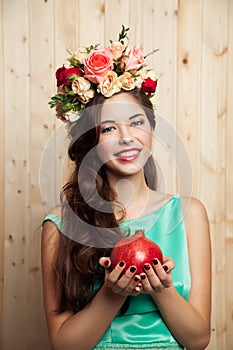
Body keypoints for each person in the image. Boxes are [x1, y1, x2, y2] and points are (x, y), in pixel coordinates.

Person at [42, 26, 211, 350]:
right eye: (109, 127)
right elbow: (63, 345)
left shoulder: (188, 214)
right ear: (90, 140)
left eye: (136, 122)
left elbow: (199, 339)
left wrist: (162, 289)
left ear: (151, 128)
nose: (126, 136)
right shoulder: (61, 225)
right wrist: (111, 294)